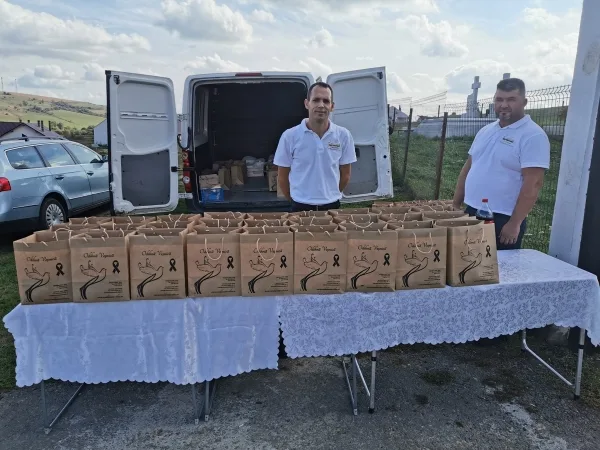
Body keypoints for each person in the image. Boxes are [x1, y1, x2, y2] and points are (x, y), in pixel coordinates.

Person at [452, 78, 550, 250]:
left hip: (501, 218)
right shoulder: (486, 131)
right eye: (499, 99)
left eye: (511, 99)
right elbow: (469, 167)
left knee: (499, 266)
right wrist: (456, 204)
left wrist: (514, 223)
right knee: (468, 261)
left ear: (524, 102)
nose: (504, 105)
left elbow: (534, 183)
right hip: (472, 211)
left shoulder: (533, 136)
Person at [274, 81, 357, 212]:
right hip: (300, 206)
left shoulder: (343, 135)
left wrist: (329, 195)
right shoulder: (289, 136)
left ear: (332, 106)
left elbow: (346, 175)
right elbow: (282, 177)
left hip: (331, 205)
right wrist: (295, 199)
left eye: (326, 101)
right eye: (316, 100)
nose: (321, 105)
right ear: (307, 103)